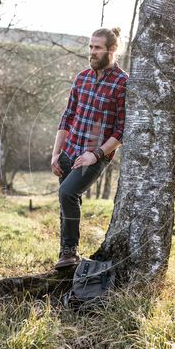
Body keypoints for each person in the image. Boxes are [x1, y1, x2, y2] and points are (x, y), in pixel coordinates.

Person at [51, 27, 127, 269]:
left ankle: (69, 252)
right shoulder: (82, 77)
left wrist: (95, 155)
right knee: (67, 202)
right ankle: (67, 255)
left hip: (95, 155)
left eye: (97, 48)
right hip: (69, 150)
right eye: (90, 47)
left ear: (112, 49)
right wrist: (56, 153)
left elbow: (121, 130)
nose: (92, 52)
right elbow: (68, 116)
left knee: (67, 194)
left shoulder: (122, 83)